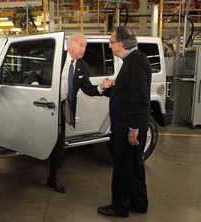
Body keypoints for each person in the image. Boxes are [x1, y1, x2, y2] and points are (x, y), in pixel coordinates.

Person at [47, 33, 114, 193]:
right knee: (41, 140)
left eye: (85, 46)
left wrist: (102, 87)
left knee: (59, 144)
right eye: (81, 45)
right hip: (44, 104)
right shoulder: (55, 58)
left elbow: (88, 89)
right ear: (70, 45)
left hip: (62, 107)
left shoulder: (82, 66)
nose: (84, 49)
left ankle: (52, 178)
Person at [98, 26, 151, 217]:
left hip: (128, 128)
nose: (110, 46)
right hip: (128, 126)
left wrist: (133, 129)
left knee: (122, 168)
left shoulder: (135, 62)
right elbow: (126, 95)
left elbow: (140, 99)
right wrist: (107, 88)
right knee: (134, 166)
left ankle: (120, 207)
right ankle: (139, 203)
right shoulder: (132, 61)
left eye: (111, 42)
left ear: (120, 44)